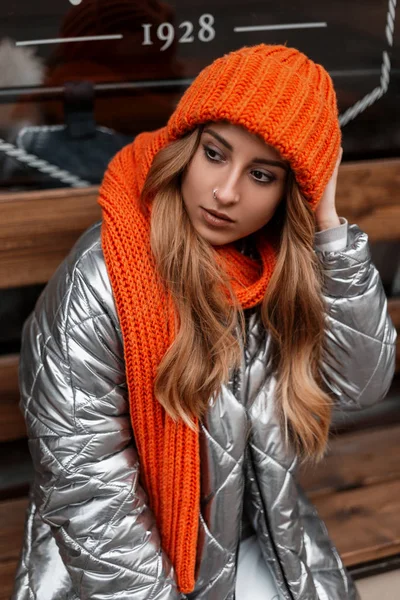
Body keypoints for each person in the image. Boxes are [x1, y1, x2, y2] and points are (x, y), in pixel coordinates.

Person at [12, 44, 396, 600]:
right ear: (184, 147)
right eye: (215, 154)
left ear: (291, 193)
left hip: (256, 536)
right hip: (121, 568)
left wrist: (330, 229)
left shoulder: (279, 272)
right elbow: (89, 493)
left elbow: (364, 384)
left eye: (261, 174)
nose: (226, 192)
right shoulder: (100, 282)